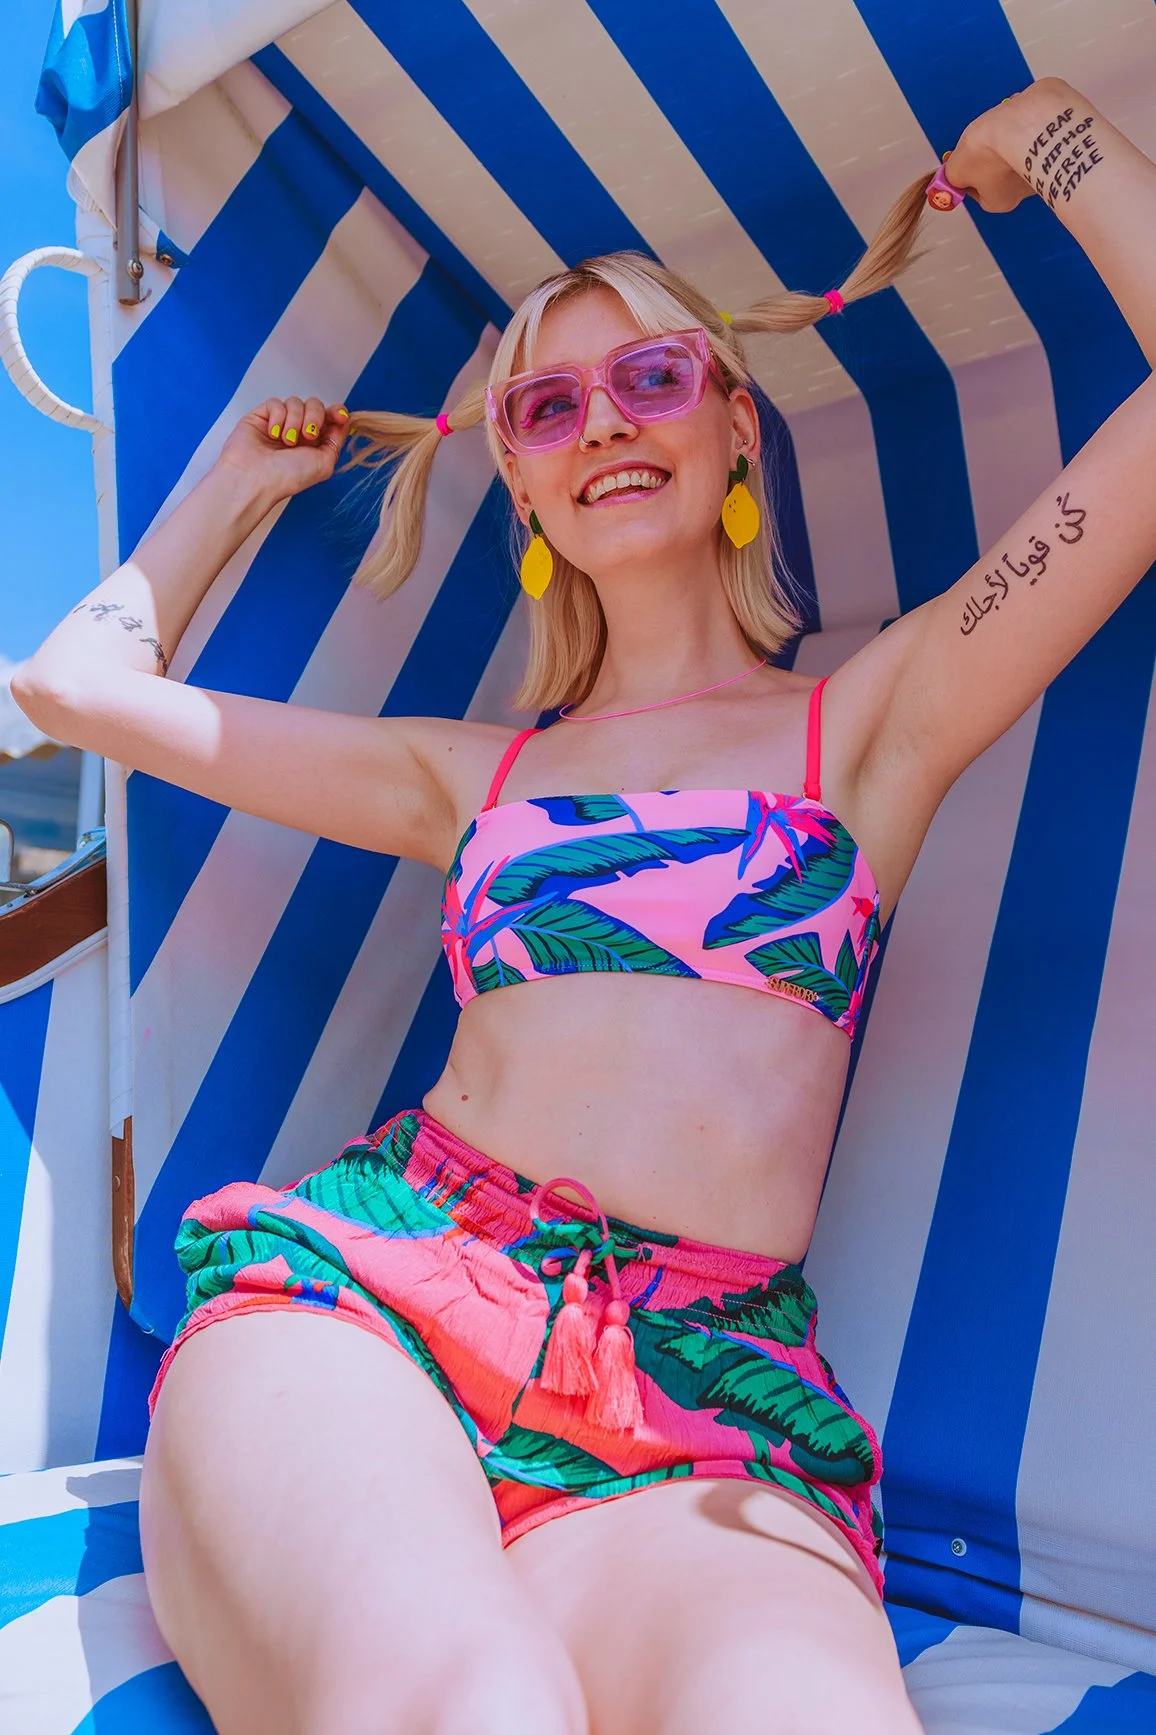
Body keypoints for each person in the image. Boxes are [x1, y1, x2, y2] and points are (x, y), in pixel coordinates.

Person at [13, 73, 1156, 1735]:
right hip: (380, 1301)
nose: (605, 422)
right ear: (525, 496)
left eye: (651, 374)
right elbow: (73, 684)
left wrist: (1060, 137)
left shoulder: (876, 724)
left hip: (705, 1392)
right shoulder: (466, 775)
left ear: (733, 427)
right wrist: (233, 496)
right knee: (464, 1705)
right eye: (547, 410)